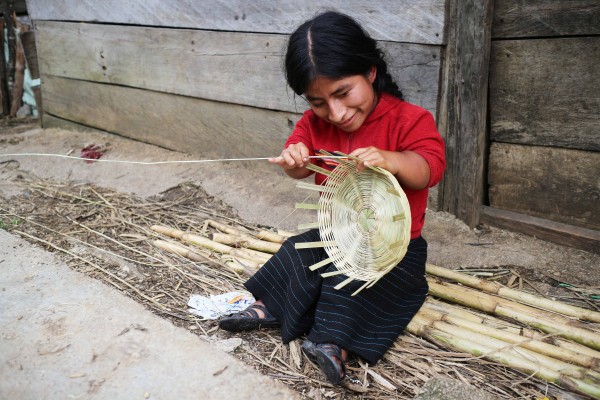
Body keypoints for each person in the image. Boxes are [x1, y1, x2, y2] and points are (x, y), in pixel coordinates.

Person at [219, 10, 446, 385]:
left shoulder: (410, 119)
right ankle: (268, 307)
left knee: (354, 279)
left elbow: (430, 169)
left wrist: (392, 159)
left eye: (343, 93)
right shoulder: (313, 124)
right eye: (318, 101)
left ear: (371, 71)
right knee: (299, 249)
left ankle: (331, 343)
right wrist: (293, 159)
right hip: (336, 235)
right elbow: (298, 166)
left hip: (392, 248)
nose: (336, 112)